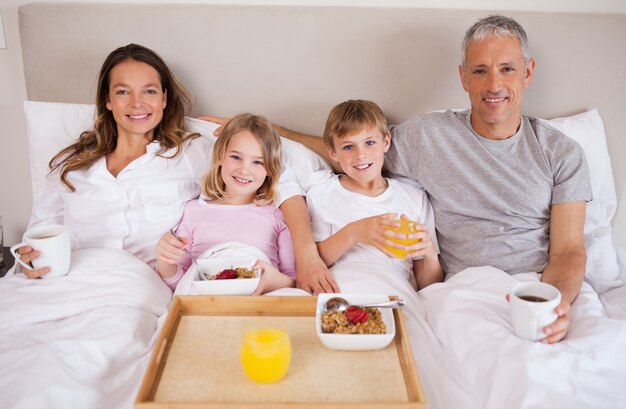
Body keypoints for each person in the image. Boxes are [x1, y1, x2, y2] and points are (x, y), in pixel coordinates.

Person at [270, 15, 592, 344]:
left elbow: (568, 251)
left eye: (507, 68)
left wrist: (554, 303)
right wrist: (275, 134)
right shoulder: (429, 136)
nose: (494, 85)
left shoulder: (561, 153)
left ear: (527, 72)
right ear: (464, 77)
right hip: (463, 290)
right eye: (480, 70)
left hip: (535, 287)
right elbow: (356, 151)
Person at [14, 43, 307, 283]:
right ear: (107, 100)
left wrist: (308, 257)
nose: (137, 103)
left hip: (138, 285)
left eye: (150, 91)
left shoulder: (191, 153)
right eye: (123, 91)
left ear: (165, 99)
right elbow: (38, 235)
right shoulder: (71, 164)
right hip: (65, 282)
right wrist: (30, 261)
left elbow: (278, 179)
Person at [307, 99, 442, 292]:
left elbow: (429, 285)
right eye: (348, 147)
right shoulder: (322, 193)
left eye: (369, 142)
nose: (360, 155)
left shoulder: (412, 197)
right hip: (345, 287)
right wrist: (354, 233)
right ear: (332, 152)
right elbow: (313, 262)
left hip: (396, 291)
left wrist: (429, 255)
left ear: (385, 142)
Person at [155, 113, 296, 295]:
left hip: (258, 297)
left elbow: (293, 280)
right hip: (208, 299)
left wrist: (274, 280)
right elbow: (181, 283)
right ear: (220, 156)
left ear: (270, 169)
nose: (244, 170)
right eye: (236, 157)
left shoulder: (276, 214)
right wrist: (165, 260)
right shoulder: (193, 211)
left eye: (258, 162)